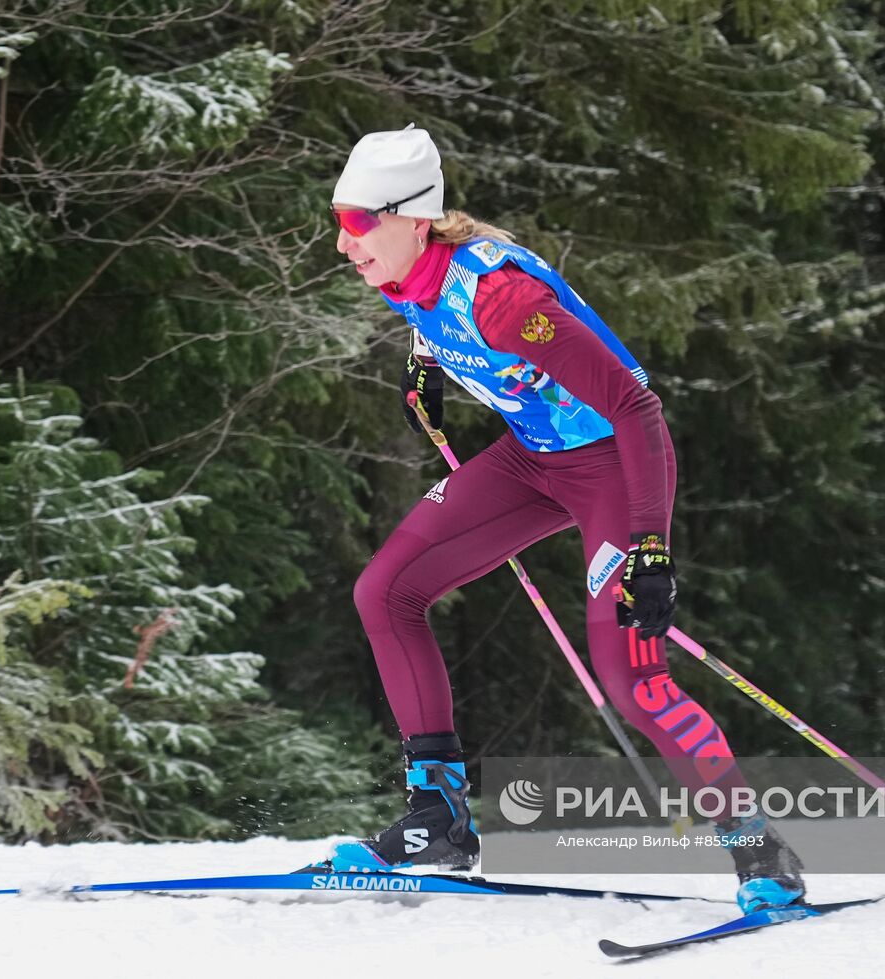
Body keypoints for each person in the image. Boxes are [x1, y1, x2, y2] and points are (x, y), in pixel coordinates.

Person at [322, 124, 805, 913]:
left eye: (356, 222)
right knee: (386, 591)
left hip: (614, 467)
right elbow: (432, 308)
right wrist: (424, 362)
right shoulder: (403, 270)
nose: (344, 243)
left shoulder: (510, 300)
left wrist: (650, 543)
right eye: (338, 219)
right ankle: (438, 819)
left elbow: (634, 403)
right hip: (533, 458)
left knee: (632, 679)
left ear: (412, 217)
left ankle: (760, 853)